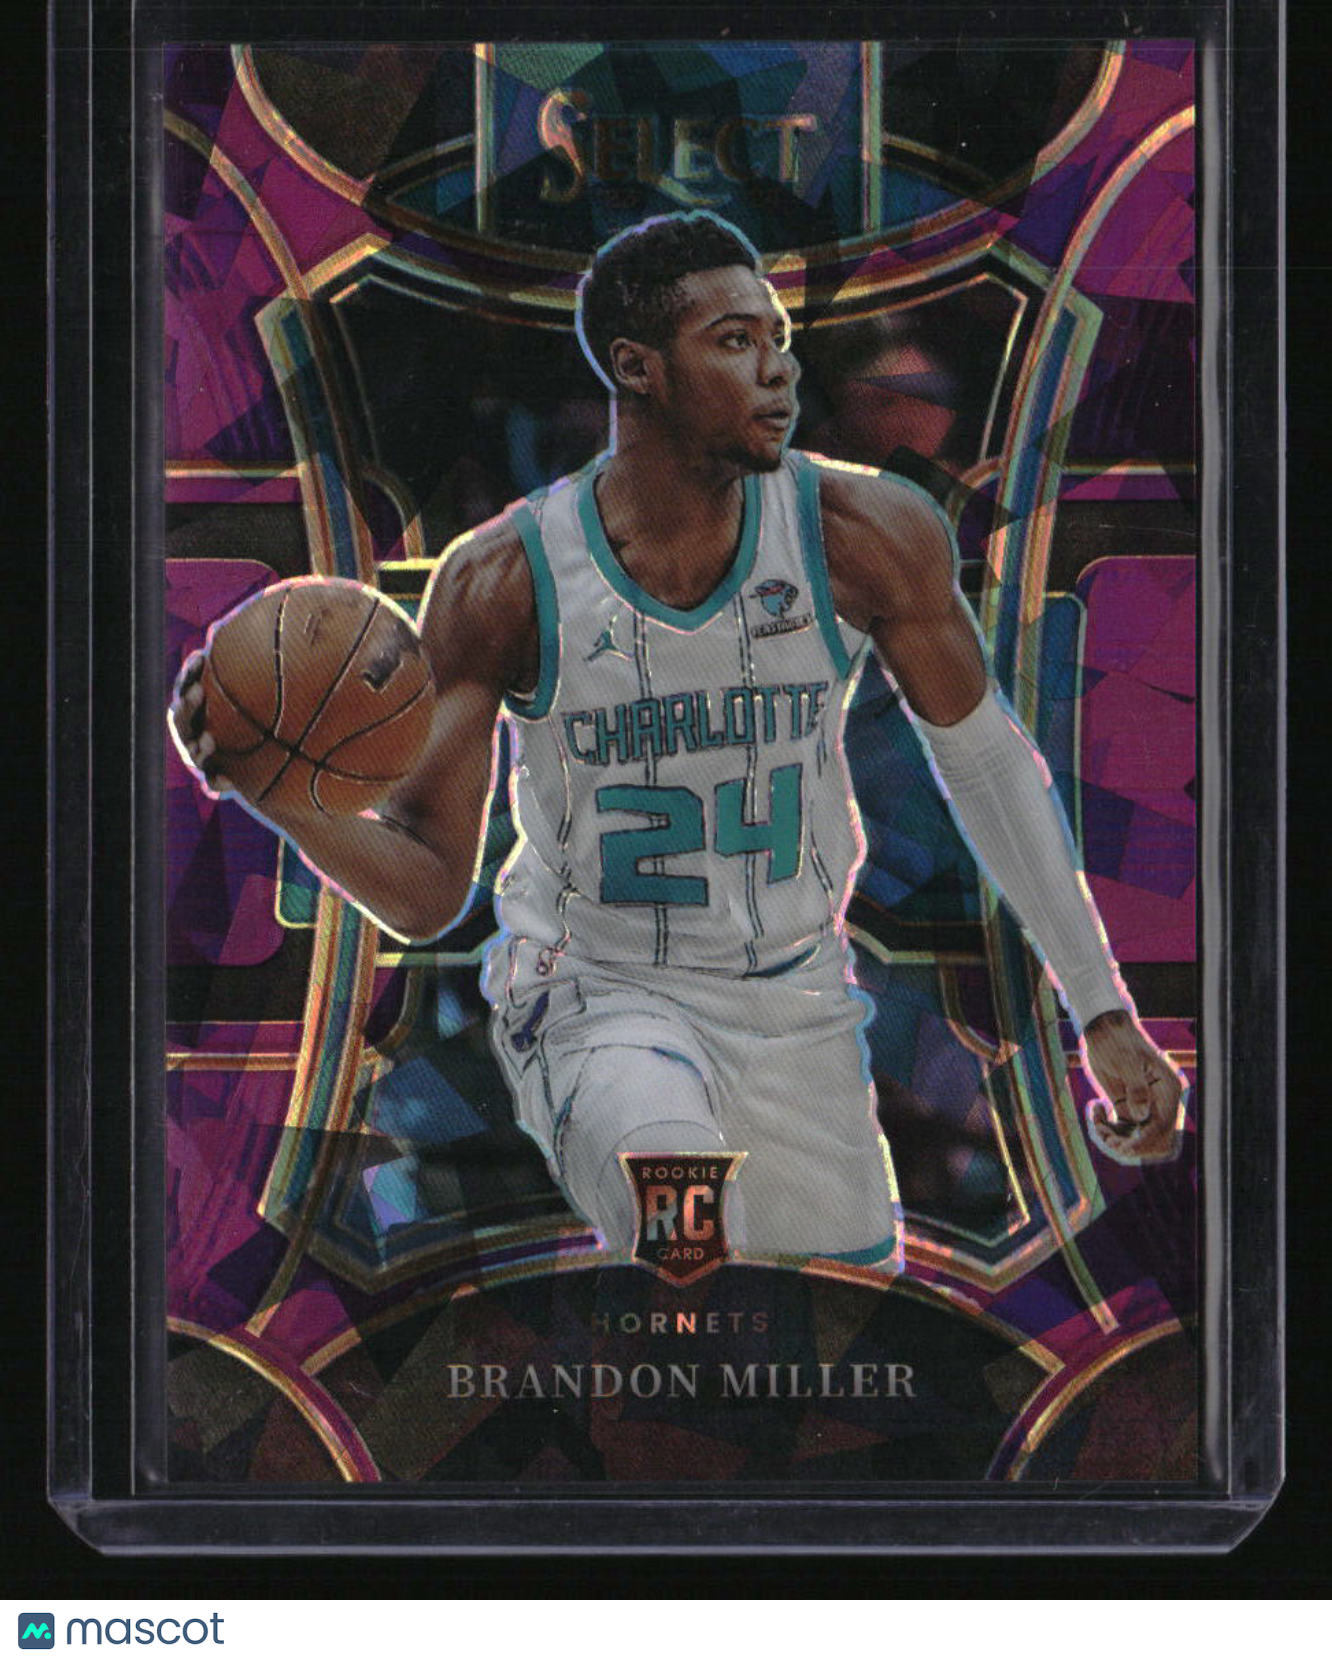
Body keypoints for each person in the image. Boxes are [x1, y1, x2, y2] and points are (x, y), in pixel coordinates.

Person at [172, 211, 1183, 1266]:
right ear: (636, 368)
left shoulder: (867, 532)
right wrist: (280, 796)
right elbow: (428, 892)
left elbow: (986, 764)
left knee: (834, 1312)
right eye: (735, 341)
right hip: (594, 992)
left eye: (778, 338)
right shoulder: (503, 577)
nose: (779, 369)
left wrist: (1101, 1009)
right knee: (685, 1224)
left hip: (795, 999)